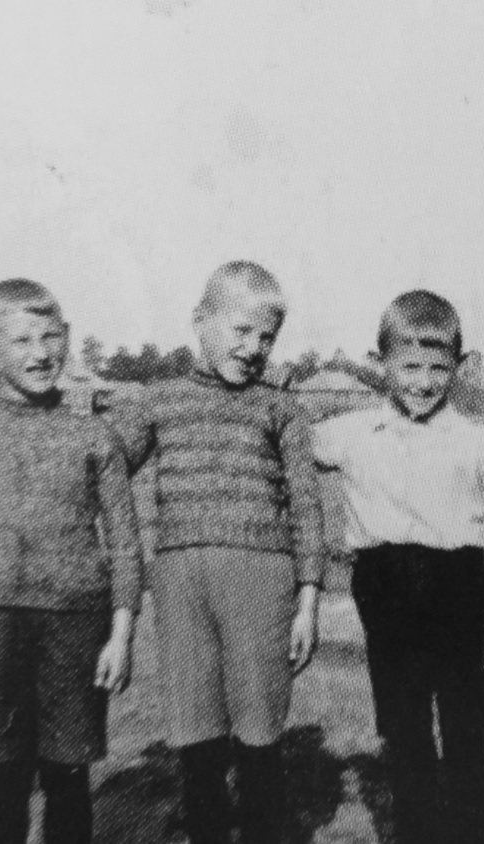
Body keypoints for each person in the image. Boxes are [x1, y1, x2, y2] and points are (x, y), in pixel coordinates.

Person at [108, 261, 325, 844]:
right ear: (200, 321)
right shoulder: (157, 400)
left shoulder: (281, 408)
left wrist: (308, 602)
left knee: (258, 730)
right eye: (241, 330)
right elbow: (104, 462)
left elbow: (307, 506)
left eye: (267, 337)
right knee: (195, 731)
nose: (254, 348)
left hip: (263, 580)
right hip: (179, 580)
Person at [0, 279, 143, 844]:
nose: (41, 353)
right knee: (3, 777)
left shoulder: (94, 435)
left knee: (68, 778)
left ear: (67, 337)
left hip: (77, 625)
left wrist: (121, 635)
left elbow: (125, 544)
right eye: (22, 340)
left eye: (51, 337)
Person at [313, 290, 484, 844]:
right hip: (383, 589)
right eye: (409, 367)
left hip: (462, 590)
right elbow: (285, 443)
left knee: (464, 731)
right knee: (405, 732)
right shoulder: (348, 433)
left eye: (438, 368)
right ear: (379, 363)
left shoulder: (481, 444)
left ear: (460, 364)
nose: (424, 382)